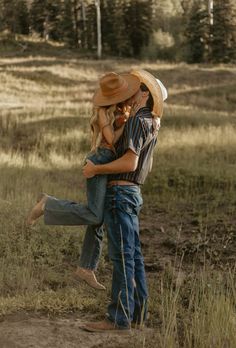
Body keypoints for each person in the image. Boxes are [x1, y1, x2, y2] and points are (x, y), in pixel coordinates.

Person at [26, 72, 141, 290]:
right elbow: (110, 141)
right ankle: (47, 204)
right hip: (99, 161)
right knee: (95, 214)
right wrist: (126, 123)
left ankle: (86, 268)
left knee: (98, 219)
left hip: (106, 164)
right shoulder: (102, 114)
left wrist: (127, 118)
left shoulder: (119, 112)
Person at [81, 69, 167, 332]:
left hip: (120, 194)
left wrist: (96, 170)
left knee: (121, 258)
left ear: (145, 95)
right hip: (132, 194)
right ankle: (138, 315)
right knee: (134, 257)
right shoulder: (150, 122)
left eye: (138, 87)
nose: (133, 90)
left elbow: (130, 161)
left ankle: (118, 318)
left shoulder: (137, 122)